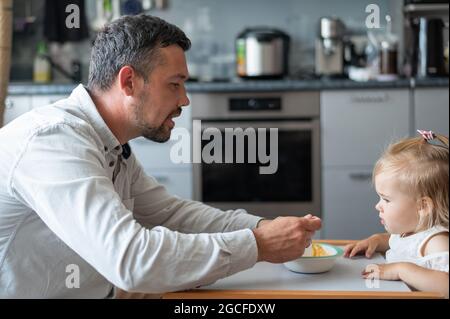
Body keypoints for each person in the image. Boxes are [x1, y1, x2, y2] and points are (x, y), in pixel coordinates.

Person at [0, 14, 321, 298]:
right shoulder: (54, 142)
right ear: (128, 82)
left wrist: (264, 227)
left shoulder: (110, 143)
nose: (185, 99)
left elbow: (172, 215)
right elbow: (130, 260)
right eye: (174, 84)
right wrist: (259, 244)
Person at [344, 130, 449, 298]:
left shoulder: (436, 241)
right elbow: (402, 243)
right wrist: (377, 240)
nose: (378, 206)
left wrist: (401, 270)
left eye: (386, 199)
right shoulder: (411, 230)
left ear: (422, 206)